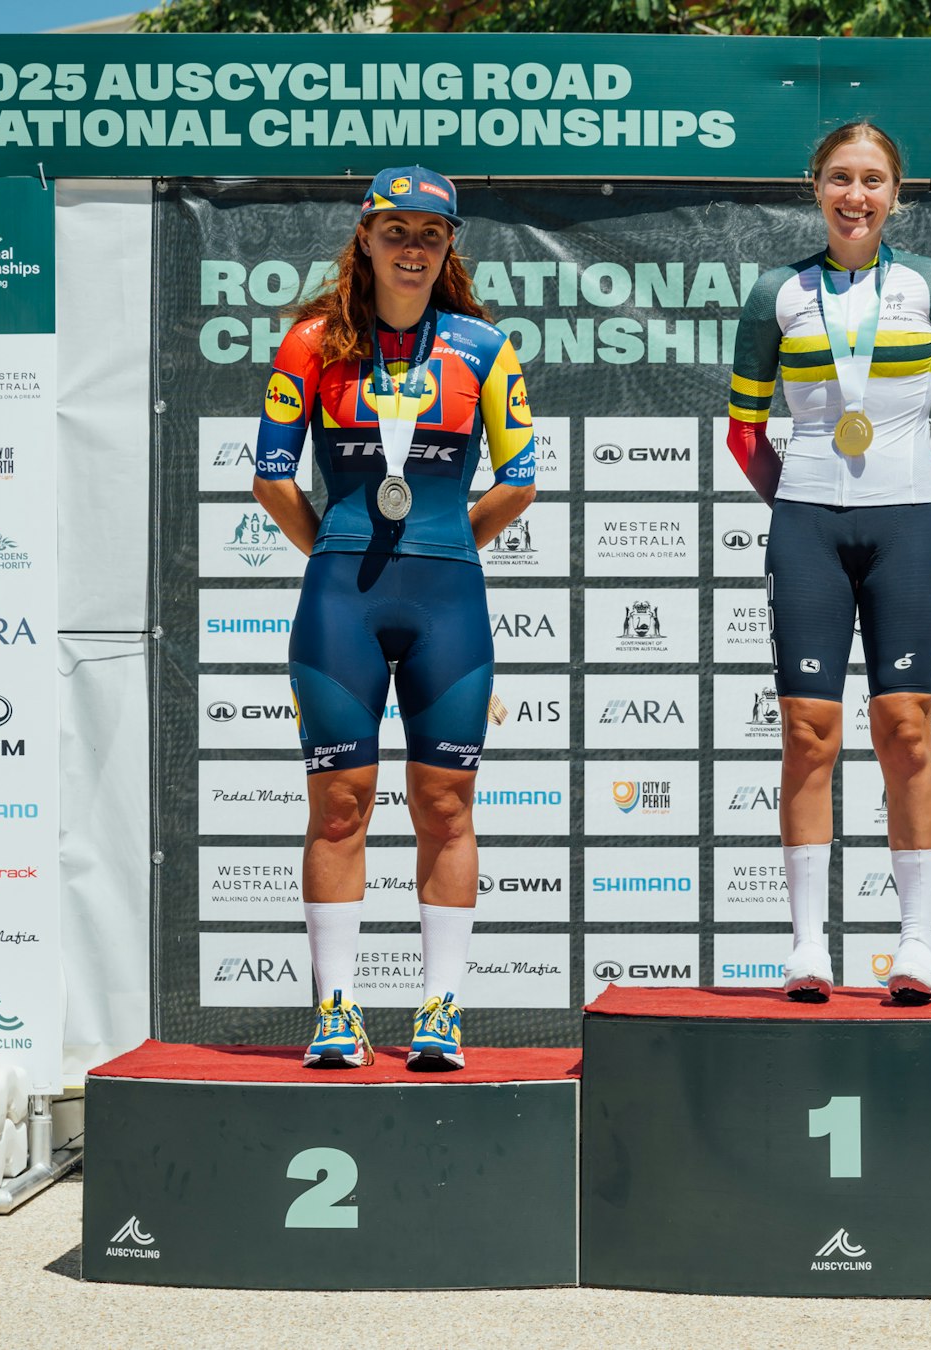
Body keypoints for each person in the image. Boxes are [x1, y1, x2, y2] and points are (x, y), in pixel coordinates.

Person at [252, 166, 537, 1070]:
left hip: (447, 601)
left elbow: (518, 482)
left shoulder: (485, 349)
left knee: (445, 805)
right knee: (339, 807)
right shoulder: (310, 344)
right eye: (395, 231)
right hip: (343, 602)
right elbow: (271, 478)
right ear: (364, 239)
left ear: (450, 247)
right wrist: (338, 554)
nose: (412, 248)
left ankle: (439, 1010)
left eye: (430, 234)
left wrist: (446, 550)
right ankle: (336, 1009)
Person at [726, 121, 931, 1004]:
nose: (856, 196)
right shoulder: (776, 291)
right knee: (807, 736)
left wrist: (926, 506)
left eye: (873, 180)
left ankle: (915, 945)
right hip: (807, 524)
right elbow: (741, 431)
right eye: (840, 178)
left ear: (895, 193)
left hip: (907, 524)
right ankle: (807, 944)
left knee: (905, 732)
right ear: (815, 187)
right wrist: (798, 507)